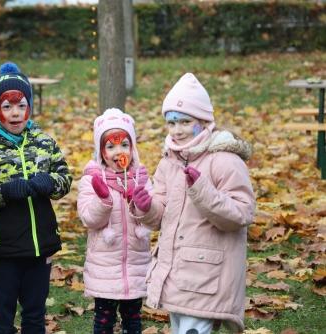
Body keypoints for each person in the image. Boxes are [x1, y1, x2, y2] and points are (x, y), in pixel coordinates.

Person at [130, 73, 255, 334]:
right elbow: (161, 215)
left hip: (208, 273)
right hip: (178, 272)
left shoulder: (224, 160)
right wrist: (146, 207)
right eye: (171, 123)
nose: (177, 130)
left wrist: (202, 190)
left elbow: (240, 214)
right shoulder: (169, 161)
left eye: (186, 122)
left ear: (204, 121)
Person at [0, 62, 72, 334]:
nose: (15, 113)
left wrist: (48, 183)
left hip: (40, 246)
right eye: (7, 106)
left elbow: (65, 180)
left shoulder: (43, 141)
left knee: (35, 316)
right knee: (3, 318)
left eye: (21, 105)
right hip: (4, 247)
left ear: (30, 107)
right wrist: (4, 192)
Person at [76, 108, 152, 334]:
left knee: (134, 319)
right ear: (101, 152)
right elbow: (89, 219)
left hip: (136, 265)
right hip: (105, 268)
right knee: (104, 320)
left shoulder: (141, 177)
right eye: (110, 146)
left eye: (124, 144)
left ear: (132, 147)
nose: (118, 151)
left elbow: (152, 216)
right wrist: (104, 200)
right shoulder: (92, 179)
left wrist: (143, 203)